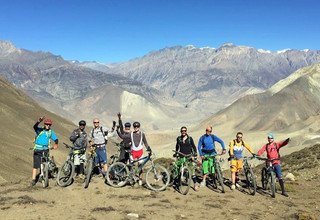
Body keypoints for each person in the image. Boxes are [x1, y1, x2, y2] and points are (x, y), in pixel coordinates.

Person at [31, 116, 58, 186]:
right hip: (37, 150)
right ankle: (33, 180)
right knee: (36, 165)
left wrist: (56, 144)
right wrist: (39, 121)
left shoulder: (50, 132)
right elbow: (34, 127)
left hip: (46, 150)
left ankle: (41, 175)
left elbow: (56, 139)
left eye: (49, 125)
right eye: (46, 124)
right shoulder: (39, 130)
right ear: (44, 124)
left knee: (44, 163)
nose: (48, 125)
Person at [175, 126, 199, 191]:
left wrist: (195, 154)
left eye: (185, 131)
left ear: (186, 131)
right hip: (181, 156)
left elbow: (194, 147)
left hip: (189, 156)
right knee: (178, 168)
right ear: (180, 131)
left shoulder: (190, 138)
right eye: (182, 131)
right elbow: (177, 146)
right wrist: (176, 153)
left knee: (192, 170)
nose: (183, 132)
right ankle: (177, 181)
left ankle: (195, 184)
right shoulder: (178, 138)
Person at [130, 121, 152, 185]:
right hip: (133, 152)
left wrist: (148, 148)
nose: (136, 128)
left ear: (139, 127)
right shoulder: (131, 134)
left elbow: (145, 142)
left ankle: (140, 180)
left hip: (140, 152)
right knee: (132, 166)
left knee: (141, 166)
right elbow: (124, 137)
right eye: (135, 127)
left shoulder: (142, 134)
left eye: (137, 126)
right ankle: (131, 179)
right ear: (133, 127)